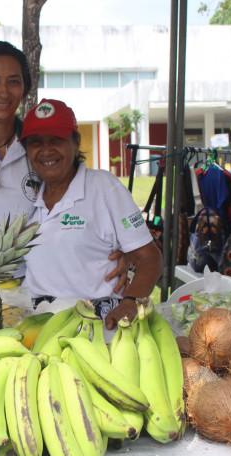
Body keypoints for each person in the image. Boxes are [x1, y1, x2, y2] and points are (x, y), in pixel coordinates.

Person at [0, 41, 129, 292]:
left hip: (20, 288)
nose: (3, 91)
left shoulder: (37, 146)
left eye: (13, 81)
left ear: (24, 88)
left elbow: (78, 200)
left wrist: (121, 250)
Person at [19, 99, 163, 328]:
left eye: (56, 140)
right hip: (38, 325)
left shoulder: (104, 188)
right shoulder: (26, 199)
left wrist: (130, 301)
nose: (46, 151)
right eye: (36, 143)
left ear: (75, 143)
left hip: (96, 325)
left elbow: (149, 257)